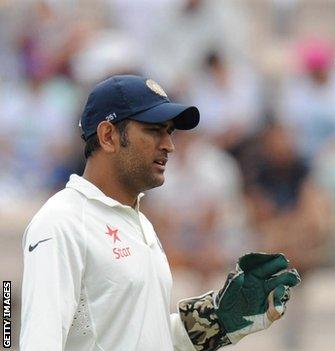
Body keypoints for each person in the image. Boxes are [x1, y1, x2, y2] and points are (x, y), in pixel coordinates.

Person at [20, 75, 301, 351]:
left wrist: (220, 318)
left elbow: (142, 335)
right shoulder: (61, 222)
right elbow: (39, 342)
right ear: (108, 136)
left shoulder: (140, 222)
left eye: (169, 132)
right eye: (154, 130)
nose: (169, 145)